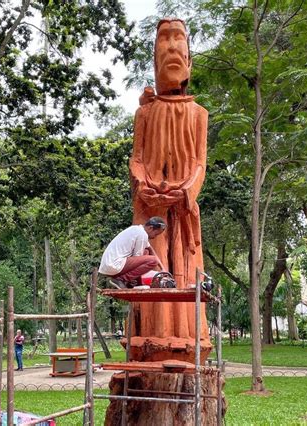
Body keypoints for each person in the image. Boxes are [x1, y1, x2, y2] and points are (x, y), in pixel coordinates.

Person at [128, 18, 211, 357]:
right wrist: (143, 184)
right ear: (154, 58)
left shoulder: (198, 114)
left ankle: (191, 340)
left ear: (189, 61)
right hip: (150, 210)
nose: (173, 45)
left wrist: (186, 190)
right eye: (165, 38)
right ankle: (150, 339)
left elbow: (200, 164)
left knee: (186, 268)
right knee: (152, 262)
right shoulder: (144, 115)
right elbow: (136, 160)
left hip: (184, 209)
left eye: (180, 39)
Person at [99, 217, 166, 287]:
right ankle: (121, 279)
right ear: (150, 228)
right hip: (115, 265)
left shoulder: (136, 229)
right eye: (156, 234)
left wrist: (162, 268)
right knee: (153, 260)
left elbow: (150, 249)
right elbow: (138, 258)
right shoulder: (142, 234)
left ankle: (131, 282)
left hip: (108, 266)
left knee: (146, 252)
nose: (155, 237)